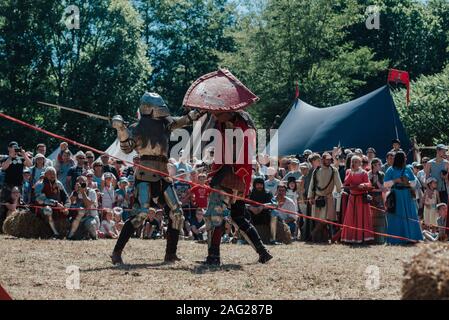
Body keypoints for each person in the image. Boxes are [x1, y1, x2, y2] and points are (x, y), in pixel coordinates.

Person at [110, 91, 203, 264]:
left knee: (177, 213)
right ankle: (116, 252)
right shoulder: (136, 127)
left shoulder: (165, 123)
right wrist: (121, 130)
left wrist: (197, 112)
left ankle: (170, 254)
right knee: (141, 214)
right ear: (149, 108)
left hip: (163, 174)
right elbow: (127, 148)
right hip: (145, 174)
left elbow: (184, 120)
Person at [204, 109, 272, 265]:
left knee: (214, 215)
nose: (214, 115)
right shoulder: (231, 124)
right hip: (235, 178)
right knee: (238, 217)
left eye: (218, 113)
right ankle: (263, 252)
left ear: (229, 111)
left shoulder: (239, 127)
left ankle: (213, 256)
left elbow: (239, 154)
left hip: (229, 178)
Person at [383, 151, 423, 244]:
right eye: (404, 157)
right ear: (400, 159)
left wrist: (406, 182)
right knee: (396, 216)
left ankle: (412, 238)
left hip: (407, 195)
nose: (405, 159)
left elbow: (414, 183)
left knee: (410, 215)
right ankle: (396, 239)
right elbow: (385, 184)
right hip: (396, 195)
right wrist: (396, 180)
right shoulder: (391, 170)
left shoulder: (408, 169)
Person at [307, 152, 342, 242]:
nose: (329, 161)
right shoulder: (317, 170)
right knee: (319, 219)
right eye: (327, 159)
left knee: (326, 219)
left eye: (330, 159)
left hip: (328, 198)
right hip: (318, 197)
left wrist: (340, 191)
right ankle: (322, 238)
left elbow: (338, 184)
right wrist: (310, 196)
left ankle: (313, 234)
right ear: (323, 159)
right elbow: (312, 184)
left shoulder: (334, 170)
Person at [341, 156, 374, 244]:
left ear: (360, 163)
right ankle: (349, 238)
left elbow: (368, 183)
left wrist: (363, 185)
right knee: (350, 217)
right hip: (352, 197)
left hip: (361, 198)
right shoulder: (348, 171)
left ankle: (363, 238)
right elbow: (346, 182)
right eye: (353, 161)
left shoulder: (364, 173)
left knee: (362, 217)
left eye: (356, 162)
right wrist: (351, 173)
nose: (354, 163)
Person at [0, 142, 32, 228]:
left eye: (16, 147)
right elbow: (3, 167)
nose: (15, 149)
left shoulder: (21, 158)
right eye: (13, 147)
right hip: (7, 185)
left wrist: (24, 154)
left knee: (17, 205)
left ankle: (15, 226)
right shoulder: (6, 158)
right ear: (9, 148)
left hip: (19, 185)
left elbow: (30, 164)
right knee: (3, 205)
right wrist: (11, 156)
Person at [34, 167, 70, 239]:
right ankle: (55, 233)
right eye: (50, 174)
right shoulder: (40, 184)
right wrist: (56, 204)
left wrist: (66, 207)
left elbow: (66, 197)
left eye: (54, 174)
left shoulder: (58, 184)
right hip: (43, 208)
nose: (52, 175)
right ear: (45, 174)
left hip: (58, 208)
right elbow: (40, 199)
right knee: (48, 210)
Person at [67, 175, 99, 240]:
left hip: (90, 217)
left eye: (83, 182)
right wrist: (75, 192)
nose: (82, 184)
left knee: (90, 224)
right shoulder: (75, 192)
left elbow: (88, 205)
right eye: (80, 183)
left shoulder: (91, 192)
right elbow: (69, 203)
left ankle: (94, 236)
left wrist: (83, 192)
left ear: (87, 183)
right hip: (78, 218)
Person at [248, 177, 273, 243]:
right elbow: (243, 204)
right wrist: (251, 207)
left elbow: (273, 204)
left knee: (274, 214)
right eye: (258, 184)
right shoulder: (250, 193)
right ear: (254, 185)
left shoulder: (268, 193)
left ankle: (272, 238)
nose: (259, 186)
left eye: (261, 184)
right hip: (252, 214)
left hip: (264, 214)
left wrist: (262, 206)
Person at [368, 158, 386, 244]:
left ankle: (380, 239)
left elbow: (383, 188)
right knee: (371, 219)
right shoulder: (368, 174)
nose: (380, 166)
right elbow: (368, 188)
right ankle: (371, 239)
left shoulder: (381, 174)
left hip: (379, 200)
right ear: (374, 165)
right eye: (379, 164)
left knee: (380, 220)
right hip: (370, 200)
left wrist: (377, 182)